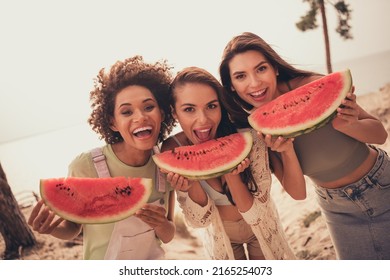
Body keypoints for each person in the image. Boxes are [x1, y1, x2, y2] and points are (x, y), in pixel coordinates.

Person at [218, 31, 390, 260]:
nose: (255, 83)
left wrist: (348, 124)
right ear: (231, 86)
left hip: (379, 184)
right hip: (335, 207)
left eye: (261, 69)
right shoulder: (258, 130)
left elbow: (380, 134)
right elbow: (298, 193)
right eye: (241, 76)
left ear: (275, 68)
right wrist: (287, 151)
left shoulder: (313, 84)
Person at [28, 55, 176, 260]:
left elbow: (168, 235)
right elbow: (72, 228)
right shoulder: (86, 166)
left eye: (148, 107)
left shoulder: (166, 166)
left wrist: (161, 224)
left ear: (161, 112)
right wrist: (49, 228)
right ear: (113, 123)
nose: (140, 117)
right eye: (126, 111)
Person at [161, 66, 304, 260]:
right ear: (174, 112)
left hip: (261, 227)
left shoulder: (247, 136)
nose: (203, 120)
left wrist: (231, 171)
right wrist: (192, 182)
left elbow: (255, 215)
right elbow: (199, 222)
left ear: (221, 105)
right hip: (222, 238)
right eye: (189, 109)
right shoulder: (172, 148)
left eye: (211, 106)